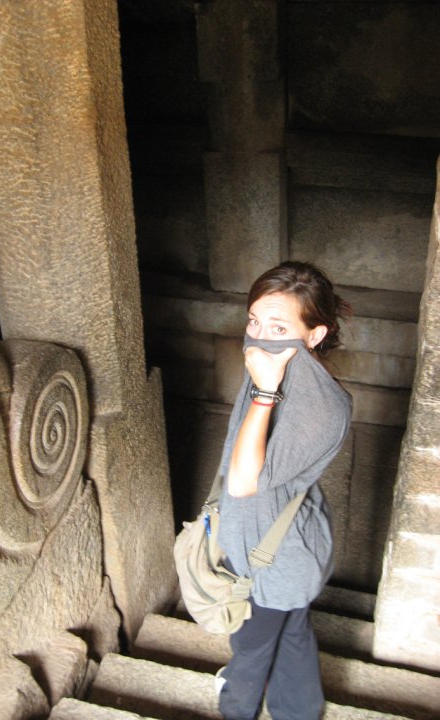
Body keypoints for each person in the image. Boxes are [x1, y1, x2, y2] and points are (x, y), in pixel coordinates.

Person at [215, 260, 353, 720]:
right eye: (254, 320)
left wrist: (265, 391)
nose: (258, 336)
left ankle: (237, 709)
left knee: (251, 647)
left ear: (314, 334)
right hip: (273, 543)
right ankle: (301, 709)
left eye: (278, 326)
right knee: (291, 631)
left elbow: (243, 481)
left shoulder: (315, 402)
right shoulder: (273, 362)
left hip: (278, 558)